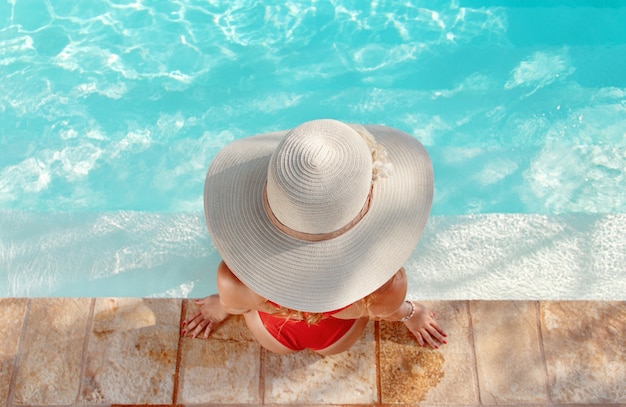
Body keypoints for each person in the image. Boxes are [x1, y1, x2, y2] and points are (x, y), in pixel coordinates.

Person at [182, 119, 447, 355]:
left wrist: (222, 306)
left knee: (249, 305)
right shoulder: (389, 285)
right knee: (366, 307)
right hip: (336, 338)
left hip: (272, 335)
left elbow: (236, 305)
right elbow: (387, 311)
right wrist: (410, 314)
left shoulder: (232, 279)